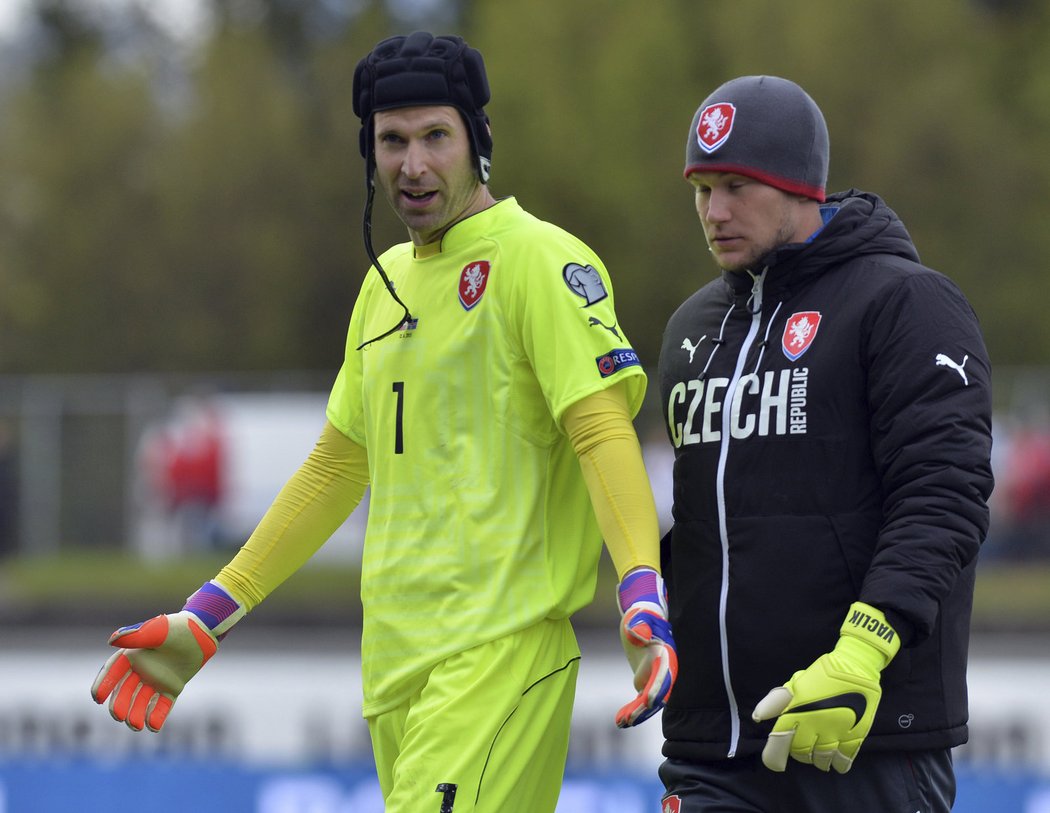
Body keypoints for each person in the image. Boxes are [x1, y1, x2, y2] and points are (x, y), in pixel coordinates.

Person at [90, 31, 677, 813]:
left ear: (480, 141)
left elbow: (602, 431)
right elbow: (336, 467)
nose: (413, 164)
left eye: (436, 136)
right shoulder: (384, 286)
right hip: (394, 668)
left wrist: (640, 584)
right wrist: (208, 613)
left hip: (499, 656)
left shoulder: (538, 261)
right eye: (391, 141)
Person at [656, 75, 993, 812]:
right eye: (702, 189)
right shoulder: (690, 330)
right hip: (714, 745)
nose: (714, 212)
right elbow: (708, 524)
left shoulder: (906, 301)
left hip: (863, 738)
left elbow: (945, 496)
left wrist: (863, 652)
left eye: (738, 185)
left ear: (800, 184)